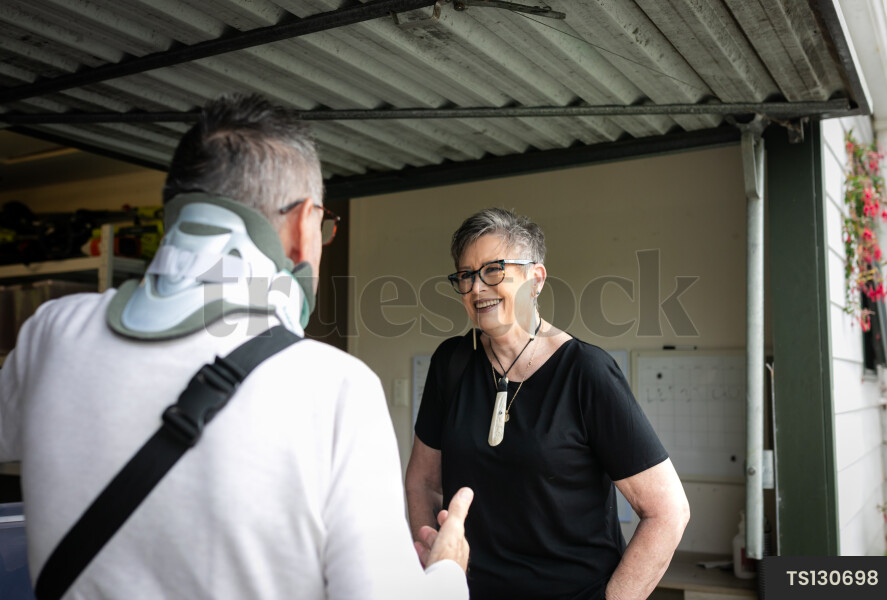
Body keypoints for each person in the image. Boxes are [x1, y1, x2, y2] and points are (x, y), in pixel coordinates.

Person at [0, 94, 472, 599]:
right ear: (301, 225)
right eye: (323, 228)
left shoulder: (50, 333)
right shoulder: (335, 387)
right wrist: (445, 571)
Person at [406, 208, 690, 600]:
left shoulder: (586, 372)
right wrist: (436, 571)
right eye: (466, 275)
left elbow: (668, 511)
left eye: (493, 270)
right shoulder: (450, 363)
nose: (476, 288)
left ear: (535, 279)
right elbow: (422, 481)